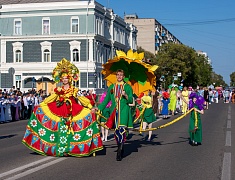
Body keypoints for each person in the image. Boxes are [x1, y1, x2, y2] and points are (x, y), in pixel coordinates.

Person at [22, 58, 103, 157]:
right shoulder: (58, 89)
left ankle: (71, 148)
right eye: (63, 78)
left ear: (69, 78)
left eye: (66, 77)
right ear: (61, 79)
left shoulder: (74, 89)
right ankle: (60, 149)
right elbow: (52, 98)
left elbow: (81, 98)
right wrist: (41, 105)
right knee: (60, 128)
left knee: (71, 127)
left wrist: (90, 107)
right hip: (59, 109)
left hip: (72, 110)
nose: (65, 79)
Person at [94, 69, 133, 161]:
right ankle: (121, 145)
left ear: (124, 77)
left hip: (124, 110)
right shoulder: (112, 87)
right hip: (114, 111)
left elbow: (131, 100)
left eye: (121, 75)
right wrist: (98, 108)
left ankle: (119, 150)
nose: (119, 76)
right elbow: (106, 100)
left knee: (121, 129)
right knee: (116, 131)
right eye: (118, 75)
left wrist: (126, 95)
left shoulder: (127, 87)